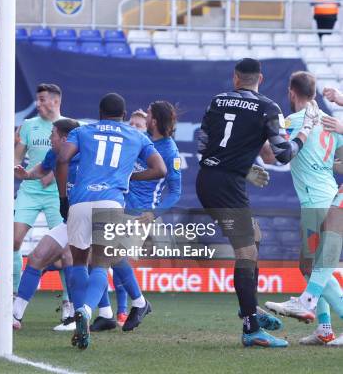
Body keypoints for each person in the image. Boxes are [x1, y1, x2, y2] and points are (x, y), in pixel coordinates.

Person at [195, 58, 319, 347]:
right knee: (247, 251)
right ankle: (250, 327)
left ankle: (248, 306)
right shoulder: (268, 108)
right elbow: (283, 154)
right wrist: (306, 131)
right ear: (260, 79)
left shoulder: (217, 100)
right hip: (226, 185)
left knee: (255, 237)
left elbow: (205, 144)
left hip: (209, 179)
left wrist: (243, 165)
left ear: (235, 78)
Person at [55, 93, 167, 350]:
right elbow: (160, 170)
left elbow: (62, 159)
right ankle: (85, 309)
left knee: (79, 261)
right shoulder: (137, 136)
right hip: (111, 202)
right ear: (124, 115)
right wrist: (127, 178)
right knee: (102, 264)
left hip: (80, 201)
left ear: (100, 112)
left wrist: (63, 198)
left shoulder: (83, 131)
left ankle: (83, 309)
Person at [91, 101, 182, 332]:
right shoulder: (142, 141)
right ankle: (112, 311)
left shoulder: (170, 151)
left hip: (139, 213)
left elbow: (176, 191)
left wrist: (153, 213)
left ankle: (134, 304)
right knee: (98, 256)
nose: (145, 117)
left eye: (149, 114)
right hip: (118, 204)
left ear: (155, 120)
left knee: (110, 256)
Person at [265, 86, 343, 346]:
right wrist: (326, 162)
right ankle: (324, 329)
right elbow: (338, 159)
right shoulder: (331, 122)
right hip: (328, 192)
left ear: (290, 92)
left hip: (315, 199)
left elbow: (275, 154)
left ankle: (314, 310)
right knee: (308, 265)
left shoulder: (294, 121)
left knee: (313, 265)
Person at [12, 119, 80, 331]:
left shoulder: (87, 154)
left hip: (91, 216)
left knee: (74, 258)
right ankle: (14, 316)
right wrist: (28, 175)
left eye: (52, 134)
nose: (49, 138)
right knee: (37, 257)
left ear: (64, 138)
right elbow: (42, 168)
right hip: (72, 218)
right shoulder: (55, 153)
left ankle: (77, 315)